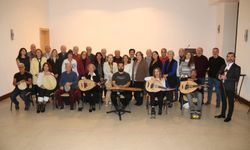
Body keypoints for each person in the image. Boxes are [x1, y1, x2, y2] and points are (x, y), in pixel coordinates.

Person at [215, 52, 241, 122]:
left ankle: (229, 116)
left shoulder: (237, 67)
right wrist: (219, 76)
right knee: (223, 101)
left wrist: (226, 78)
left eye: (231, 56)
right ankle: (223, 114)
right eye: (228, 56)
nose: (230, 58)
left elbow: (236, 79)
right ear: (226, 58)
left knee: (230, 103)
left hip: (230, 88)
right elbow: (218, 73)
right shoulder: (223, 66)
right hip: (222, 86)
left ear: (234, 58)